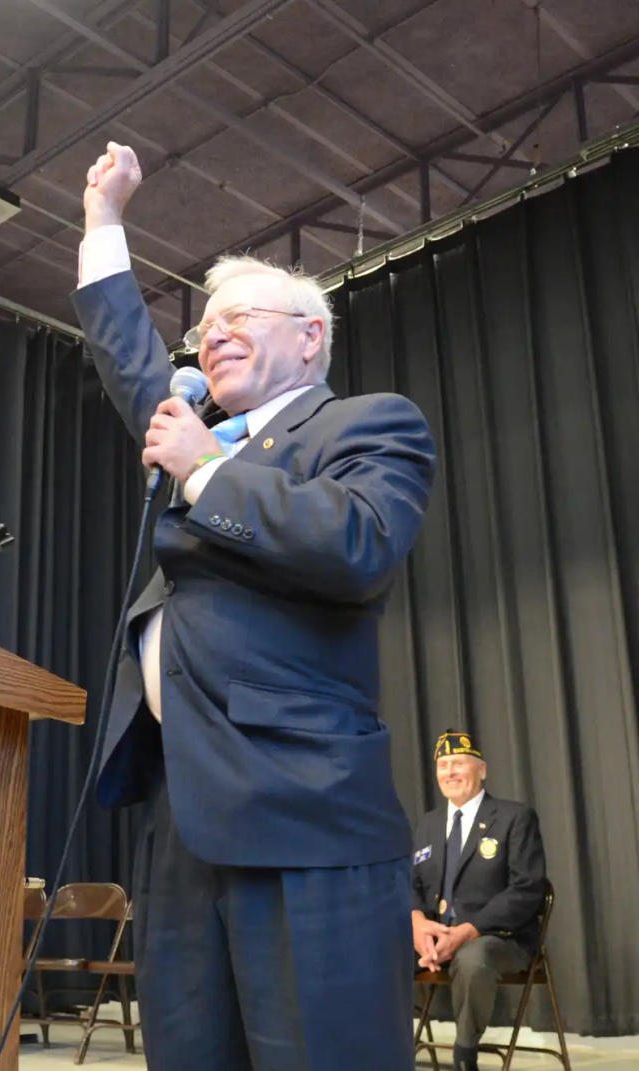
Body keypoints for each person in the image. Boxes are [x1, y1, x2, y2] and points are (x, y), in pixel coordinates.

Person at [72, 141, 436, 1071]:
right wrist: (104, 224)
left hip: (300, 813)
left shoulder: (367, 423)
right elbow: (126, 358)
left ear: (311, 336)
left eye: (239, 316)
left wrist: (205, 469)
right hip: (182, 817)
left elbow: (357, 544)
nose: (211, 334)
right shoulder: (201, 434)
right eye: (203, 324)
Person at [412, 730, 547, 1071]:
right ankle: (380, 1050)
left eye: (459, 763)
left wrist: (468, 930)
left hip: (499, 939)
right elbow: (409, 884)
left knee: (473, 959)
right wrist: (417, 923)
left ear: (482, 770)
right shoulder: (427, 824)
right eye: (443, 764)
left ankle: (464, 1055)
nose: (450, 772)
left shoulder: (515, 817)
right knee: (368, 948)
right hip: (436, 937)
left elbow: (527, 889)